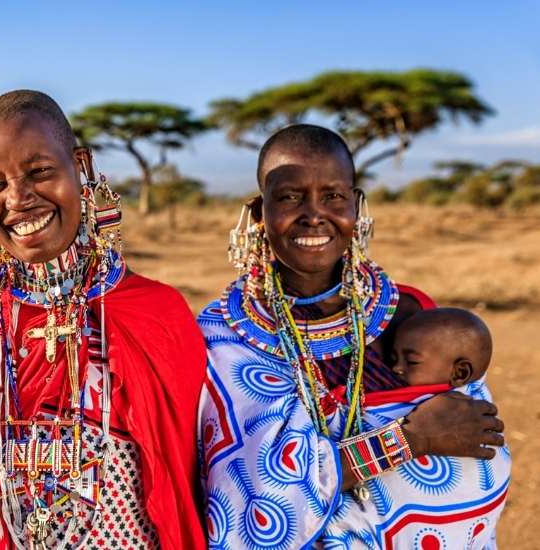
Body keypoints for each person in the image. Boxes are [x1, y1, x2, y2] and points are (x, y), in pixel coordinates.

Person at [0, 90, 207, 549]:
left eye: (39, 172)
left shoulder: (157, 313)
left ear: (81, 167)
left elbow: (187, 486)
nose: (19, 199)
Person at [197, 125, 509, 549]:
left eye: (333, 196)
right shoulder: (224, 338)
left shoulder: (410, 315)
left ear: (357, 206)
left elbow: (473, 434)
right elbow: (251, 499)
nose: (313, 214)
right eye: (290, 196)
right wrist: (410, 439)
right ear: (257, 212)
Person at [390, 307, 492, 388]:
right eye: (393, 359)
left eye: (412, 361)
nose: (395, 368)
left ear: (459, 373)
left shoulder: (453, 409)